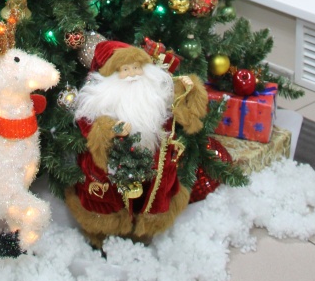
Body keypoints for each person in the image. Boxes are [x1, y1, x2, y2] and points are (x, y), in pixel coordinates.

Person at [65, 40, 208, 246]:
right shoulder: (98, 104)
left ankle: (144, 231)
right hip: (109, 173)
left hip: (151, 168)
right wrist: (111, 129)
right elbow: (90, 128)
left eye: (136, 68)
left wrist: (188, 94)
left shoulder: (155, 98)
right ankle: (103, 233)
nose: (132, 74)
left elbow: (182, 113)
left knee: (151, 196)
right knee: (105, 203)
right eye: (125, 69)